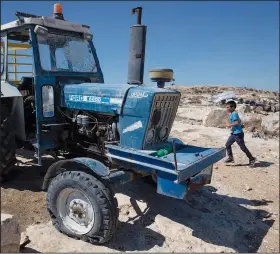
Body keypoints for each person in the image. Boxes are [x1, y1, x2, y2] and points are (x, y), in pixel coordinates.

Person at [224, 101, 256, 167]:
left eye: (228, 107)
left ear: (232, 107)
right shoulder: (232, 114)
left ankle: (252, 159)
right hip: (234, 133)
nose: (226, 108)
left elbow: (235, 123)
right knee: (227, 144)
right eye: (226, 107)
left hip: (238, 134)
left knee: (242, 147)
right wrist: (241, 125)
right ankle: (231, 158)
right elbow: (239, 121)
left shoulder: (234, 114)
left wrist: (229, 125)